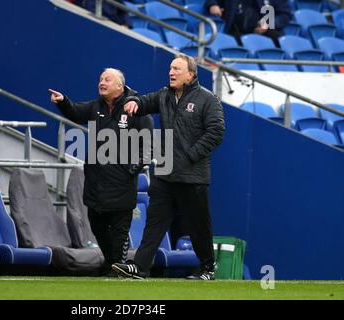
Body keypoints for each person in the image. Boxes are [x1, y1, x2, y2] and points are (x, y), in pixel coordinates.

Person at [111, 55, 225, 280]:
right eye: (170, 68)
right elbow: (145, 102)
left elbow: (216, 132)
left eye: (177, 69)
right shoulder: (164, 95)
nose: (171, 72)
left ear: (191, 74)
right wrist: (134, 102)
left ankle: (207, 268)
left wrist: (190, 155)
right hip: (164, 172)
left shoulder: (208, 99)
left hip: (192, 176)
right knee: (154, 222)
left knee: (198, 225)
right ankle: (140, 267)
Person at [49, 68, 153, 276]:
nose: (102, 82)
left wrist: (135, 165)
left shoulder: (135, 107)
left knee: (119, 231)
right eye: (100, 79)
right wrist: (63, 102)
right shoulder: (96, 106)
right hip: (96, 180)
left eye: (107, 79)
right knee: (96, 225)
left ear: (119, 86)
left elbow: (148, 142)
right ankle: (112, 262)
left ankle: (118, 266)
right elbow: (76, 112)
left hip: (122, 180)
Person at [205, 0, 291, 46]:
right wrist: (213, 5)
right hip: (235, 32)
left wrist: (269, 23)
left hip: (265, 34)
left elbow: (285, 14)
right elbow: (212, 1)